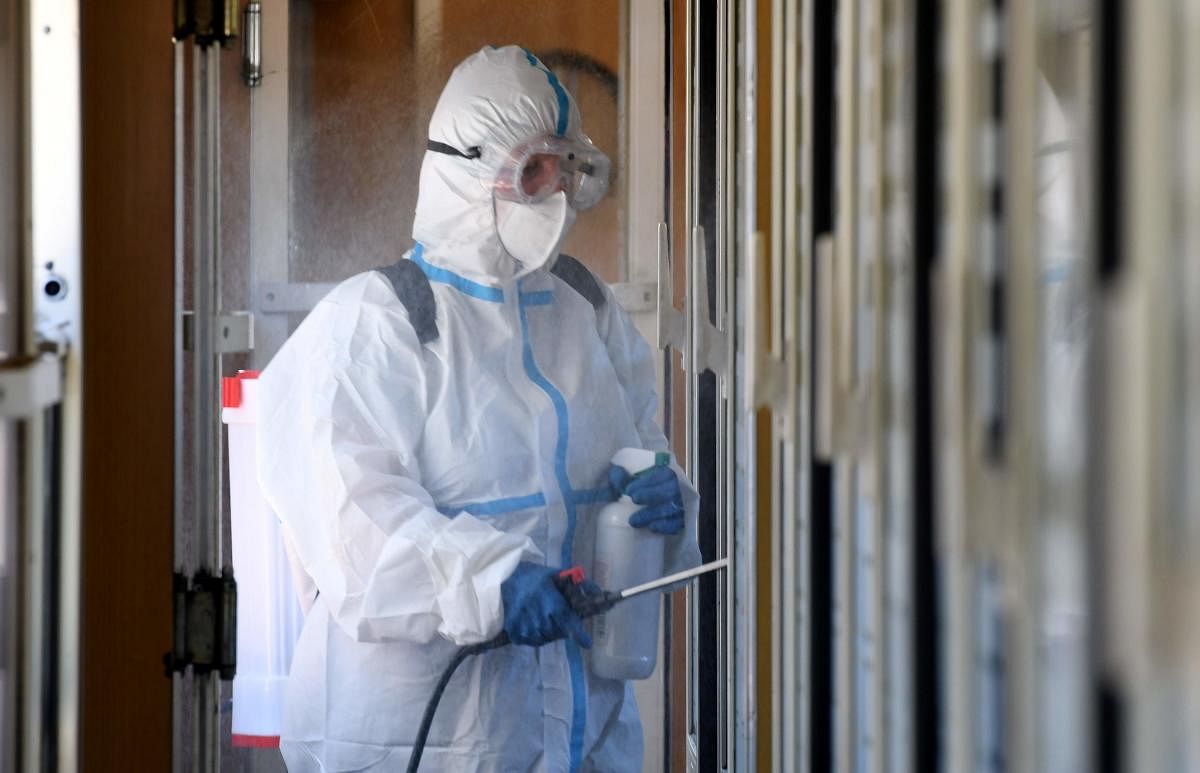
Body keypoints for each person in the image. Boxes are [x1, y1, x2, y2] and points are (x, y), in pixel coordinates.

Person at [257, 44, 701, 772]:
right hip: (423, 739)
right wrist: (490, 579)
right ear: (465, 169)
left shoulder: (583, 309)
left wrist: (666, 500)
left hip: (578, 734)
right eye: (532, 171)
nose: (554, 195)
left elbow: (641, 450)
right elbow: (355, 530)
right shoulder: (379, 321)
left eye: (565, 169)